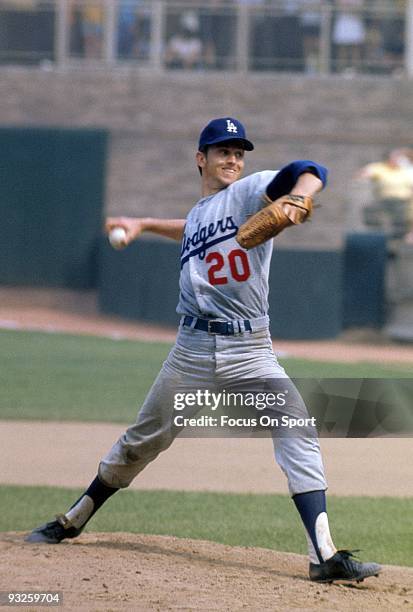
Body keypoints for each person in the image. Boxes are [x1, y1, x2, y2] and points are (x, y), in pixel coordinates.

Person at [26, 117, 381, 584]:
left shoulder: (252, 191)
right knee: (140, 443)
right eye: (222, 151)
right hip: (191, 352)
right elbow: (191, 226)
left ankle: (324, 554)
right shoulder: (201, 214)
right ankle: (73, 519)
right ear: (201, 158)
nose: (233, 159)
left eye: (238, 152)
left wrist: (302, 194)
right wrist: (143, 224)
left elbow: (308, 167)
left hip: (250, 349)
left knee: (296, 429)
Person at [357, 148, 413, 240]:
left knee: (401, 225)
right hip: (384, 201)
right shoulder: (380, 167)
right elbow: (363, 174)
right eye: (395, 157)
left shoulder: (407, 170)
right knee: (373, 217)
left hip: (403, 203)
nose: (397, 160)